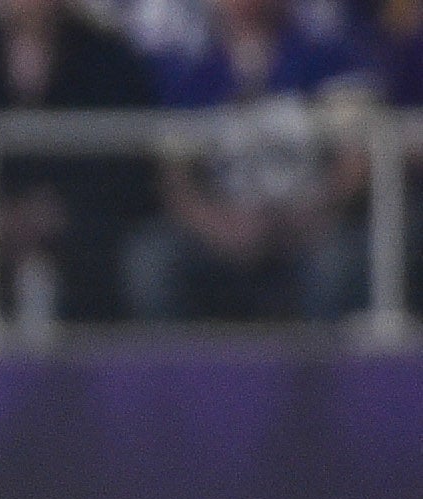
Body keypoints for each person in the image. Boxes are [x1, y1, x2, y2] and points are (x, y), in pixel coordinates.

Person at [128, 0, 372, 324]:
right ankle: (181, 373)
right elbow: (175, 179)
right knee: (154, 259)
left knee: (339, 264)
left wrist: (314, 213)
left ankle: (319, 374)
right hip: (225, 228)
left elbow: (357, 159)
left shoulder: (327, 59)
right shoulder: (193, 72)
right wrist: (218, 226)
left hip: (313, 224)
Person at [0, 0, 160, 331]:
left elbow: (124, 157)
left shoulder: (104, 55)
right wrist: (1, 211)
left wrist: (60, 210)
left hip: (85, 229)